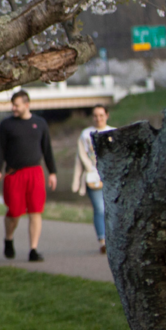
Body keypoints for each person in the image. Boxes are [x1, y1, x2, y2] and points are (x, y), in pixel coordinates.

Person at [0, 90, 57, 262]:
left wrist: (53, 173)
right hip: (14, 174)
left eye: (17, 105)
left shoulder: (40, 123)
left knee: (35, 211)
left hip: (35, 173)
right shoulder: (6, 125)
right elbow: (0, 149)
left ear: (27, 105)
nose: (13, 108)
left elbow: (47, 150)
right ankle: (8, 239)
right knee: (14, 212)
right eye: (12, 105)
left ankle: (33, 249)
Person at [72, 105, 114, 255]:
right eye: (95, 115)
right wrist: (76, 181)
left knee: (111, 209)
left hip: (111, 177)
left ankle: (114, 239)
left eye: (101, 115)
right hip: (92, 176)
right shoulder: (86, 134)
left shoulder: (113, 132)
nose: (98, 118)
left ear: (107, 115)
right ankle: (103, 241)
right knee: (100, 208)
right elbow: (80, 158)